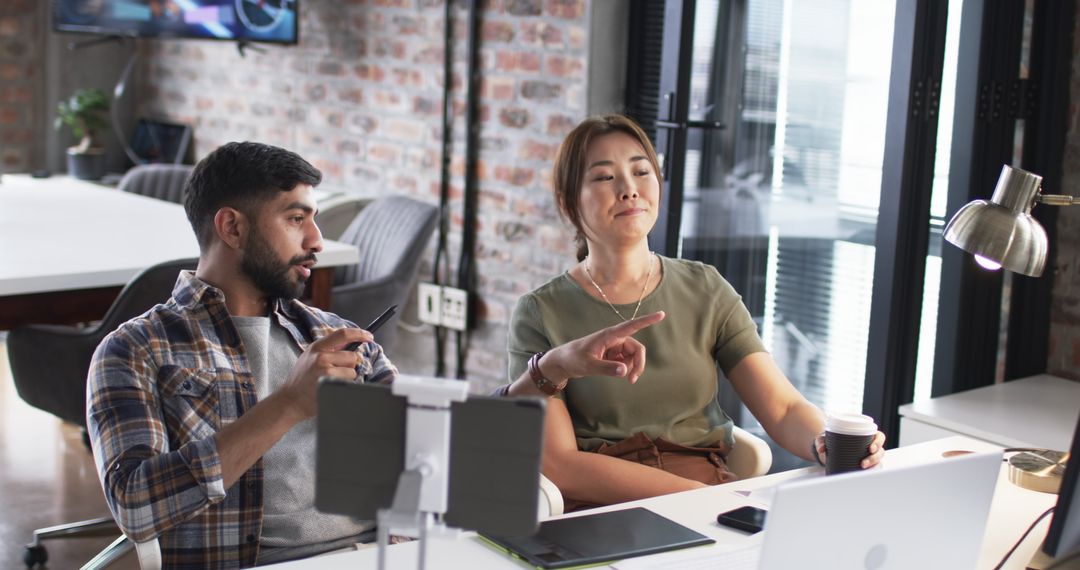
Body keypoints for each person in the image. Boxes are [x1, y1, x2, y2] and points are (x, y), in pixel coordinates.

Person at [87, 141, 667, 568]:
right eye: (295, 219)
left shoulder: (334, 334)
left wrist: (551, 369)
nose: (316, 240)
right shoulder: (138, 350)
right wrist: (288, 405)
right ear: (232, 228)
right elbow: (136, 507)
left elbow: (441, 442)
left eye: (314, 218)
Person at [502, 115, 886, 511]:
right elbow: (562, 466)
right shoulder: (541, 312)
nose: (629, 189)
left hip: (708, 494)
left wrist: (826, 442)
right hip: (604, 507)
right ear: (568, 201)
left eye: (641, 172)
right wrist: (700, 499)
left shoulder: (705, 287)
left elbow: (784, 407)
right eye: (604, 177)